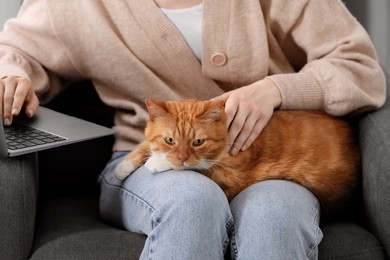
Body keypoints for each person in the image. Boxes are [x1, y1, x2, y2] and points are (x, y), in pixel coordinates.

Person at [0, 0, 386, 259]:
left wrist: (276, 89)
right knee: (192, 203)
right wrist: (12, 76)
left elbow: (361, 70)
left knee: (276, 214)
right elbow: (15, 50)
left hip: (267, 157)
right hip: (149, 160)